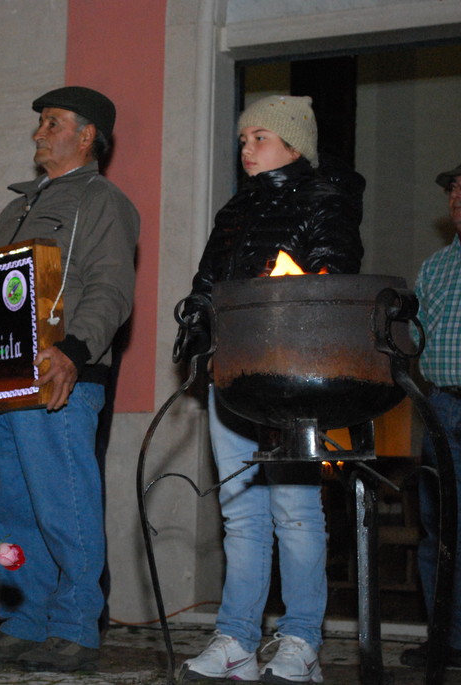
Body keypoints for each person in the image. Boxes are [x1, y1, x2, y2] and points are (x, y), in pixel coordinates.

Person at [0, 86, 139, 673]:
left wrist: (74, 352)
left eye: (51, 123)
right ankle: (23, 622)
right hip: (6, 375)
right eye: (39, 124)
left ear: (87, 136)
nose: (38, 134)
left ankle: (76, 627)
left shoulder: (102, 201)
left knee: (64, 503)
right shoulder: (16, 209)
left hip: (61, 376)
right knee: (13, 508)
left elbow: (110, 289)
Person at [179, 95, 364, 683]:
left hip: (290, 379)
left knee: (296, 511)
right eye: (242, 139)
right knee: (241, 513)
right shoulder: (234, 210)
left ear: (294, 144)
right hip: (232, 374)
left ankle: (302, 638)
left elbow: (332, 278)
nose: (246, 148)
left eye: (259, 137)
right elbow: (207, 282)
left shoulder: (327, 198)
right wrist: (195, 330)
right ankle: (236, 636)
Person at [399, 150, 461, 671]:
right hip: (443, 407)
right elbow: (413, 336)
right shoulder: (437, 265)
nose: (457, 194)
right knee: (444, 530)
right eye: (452, 186)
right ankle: (449, 638)